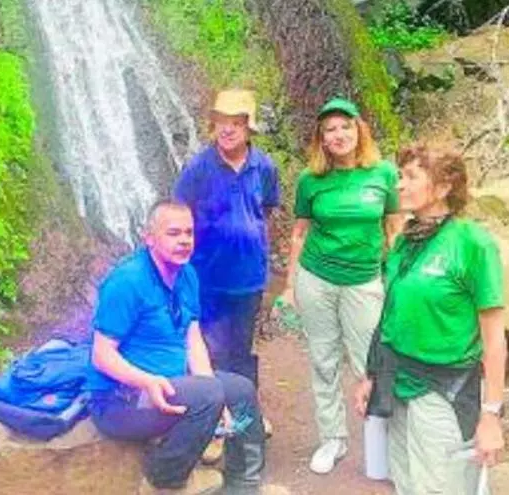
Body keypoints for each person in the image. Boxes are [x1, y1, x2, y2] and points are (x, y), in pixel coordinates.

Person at [87, 200, 277, 495]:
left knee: (239, 390)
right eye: (173, 233)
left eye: (189, 232)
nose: (185, 240)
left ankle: (243, 484)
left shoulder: (186, 275)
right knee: (209, 394)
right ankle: (164, 481)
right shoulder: (126, 281)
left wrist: (214, 393)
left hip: (172, 384)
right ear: (149, 237)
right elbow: (101, 355)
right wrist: (147, 381)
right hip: (122, 399)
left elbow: (193, 338)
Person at [354, 145, 508, 495]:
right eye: (399, 176)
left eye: (411, 177)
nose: (399, 185)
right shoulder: (406, 240)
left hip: (444, 388)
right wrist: (371, 374)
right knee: (405, 479)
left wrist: (490, 415)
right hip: (396, 380)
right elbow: (390, 315)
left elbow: (495, 339)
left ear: (443, 187)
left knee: (440, 485)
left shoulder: (473, 245)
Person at [278, 96, 400, 474]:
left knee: (371, 362)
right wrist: (290, 286)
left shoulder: (383, 174)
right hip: (316, 279)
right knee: (323, 359)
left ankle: (383, 440)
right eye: (329, 129)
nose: (338, 134)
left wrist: (398, 279)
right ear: (321, 139)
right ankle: (333, 438)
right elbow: (299, 233)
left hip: (364, 281)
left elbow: (394, 230)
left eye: (345, 126)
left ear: (359, 130)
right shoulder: (310, 180)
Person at [173, 89, 280, 448]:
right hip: (207, 279)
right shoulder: (198, 168)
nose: (228, 129)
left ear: (248, 128)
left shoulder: (264, 167)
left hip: (249, 278)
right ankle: (212, 422)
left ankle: (247, 413)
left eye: (236, 122)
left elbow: (265, 209)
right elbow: (178, 214)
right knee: (209, 351)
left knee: (242, 351)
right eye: (221, 122)